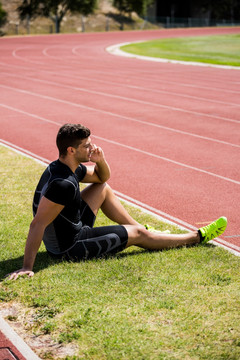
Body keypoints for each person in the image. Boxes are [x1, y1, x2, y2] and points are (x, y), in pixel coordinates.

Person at [8, 123, 227, 280]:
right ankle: (196, 237)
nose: (91, 149)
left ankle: (139, 227)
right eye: (87, 146)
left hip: (72, 225)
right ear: (71, 150)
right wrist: (27, 266)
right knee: (139, 237)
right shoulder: (62, 183)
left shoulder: (65, 166)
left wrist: (101, 160)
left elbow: (102, 178)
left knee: (102, 189)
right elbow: (38, 223)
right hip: (69, 247)